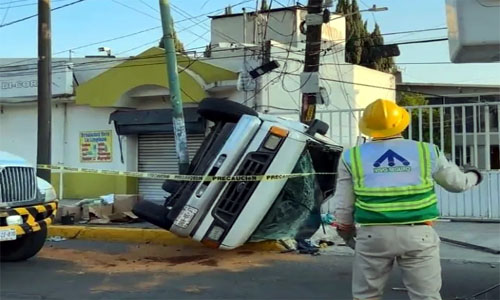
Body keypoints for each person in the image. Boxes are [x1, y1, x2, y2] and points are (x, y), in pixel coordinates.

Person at [332, 99, 483, 300]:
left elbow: (344, 206)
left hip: (373, 235)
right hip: (418, 234)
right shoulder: (426, 151)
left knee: (366, 297)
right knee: (425, 297)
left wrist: (348, 235)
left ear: (367, 127)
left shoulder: (352, 157)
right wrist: (474, 176)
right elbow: (457, 184)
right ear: (403, 123)